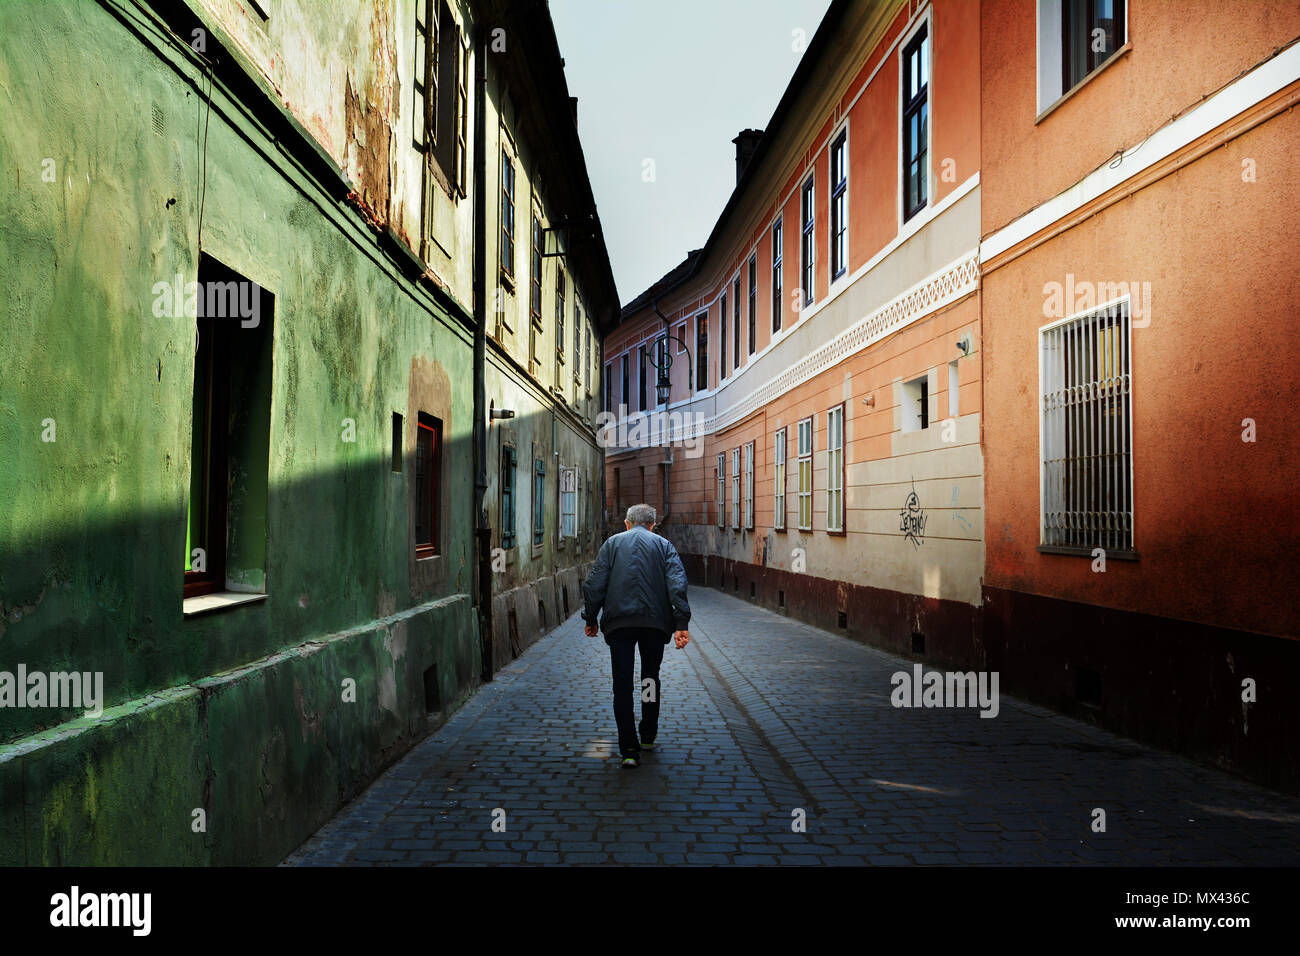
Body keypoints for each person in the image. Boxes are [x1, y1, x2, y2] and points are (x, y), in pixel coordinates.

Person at [582, 503, 691, 768]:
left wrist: (591, 617)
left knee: (622, 684)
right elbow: (677, 584)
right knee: (649, 679)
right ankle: (648, 734)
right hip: (654, 624)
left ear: (627, 523)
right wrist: (681, 623)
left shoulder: (612, 544)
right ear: (653, 524)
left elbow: (595, 582)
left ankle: (629, 749)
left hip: (620, 623)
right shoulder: (664, 546)